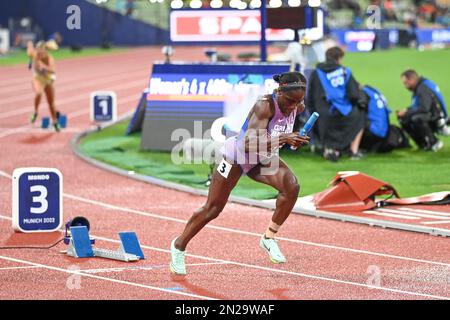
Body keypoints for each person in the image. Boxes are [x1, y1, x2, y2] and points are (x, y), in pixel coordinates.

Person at [170, 72, 310, 275]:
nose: (293, 107)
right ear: (279, 91)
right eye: (289, 101)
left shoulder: (297, 105)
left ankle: (268, 238)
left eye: (298, 101)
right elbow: (246, 144)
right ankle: (179, 245)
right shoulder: (265, 105)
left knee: (292, 186)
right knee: (213, 209)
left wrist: (294, 141)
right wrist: (284, 138)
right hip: (236, 157)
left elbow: (281, 135)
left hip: (262, 157)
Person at [306, 46, 365, 161]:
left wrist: (313, 111)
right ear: (338, 58)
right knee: (360, 114)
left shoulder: (316, 72)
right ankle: (353, 150)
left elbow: (310, 96)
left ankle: (329, 149)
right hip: (342, 113)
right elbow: (353, 95)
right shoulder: (344, 71)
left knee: (324, 120)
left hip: (322, 114)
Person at [397, 69, 445, 151]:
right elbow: (418, 106)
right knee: (404, 119)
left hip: (435, 116)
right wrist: (406, 110)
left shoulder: (422, 89)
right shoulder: (418, 88)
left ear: (411, 80)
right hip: (430, 114)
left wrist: (407, 112)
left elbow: (425, 108)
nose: (405, 86)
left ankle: (434, 142)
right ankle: (423, 144)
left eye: (406, 83)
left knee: (416, 118)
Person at [359, 85, 410, 153]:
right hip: (385, 130)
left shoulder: (362, 93)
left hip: (374, 132)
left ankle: (352, 150)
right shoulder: (374, 91)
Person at [27, 40, 60, 131]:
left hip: (48, 79)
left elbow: (53, 70)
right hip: (37, 78)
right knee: (38, 93)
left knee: (51, 103)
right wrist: (29, 43)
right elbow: (29, 50)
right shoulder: (34, 54)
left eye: (42, 52)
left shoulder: (49, 58)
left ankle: (55, 122)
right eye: (39, 52)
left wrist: (44, 66)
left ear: (45, 51)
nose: (40, 54)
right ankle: (35, 112)